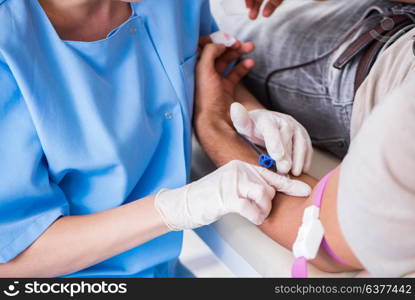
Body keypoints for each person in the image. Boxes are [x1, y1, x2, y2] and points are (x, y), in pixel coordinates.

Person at [0, 0, 312, 278]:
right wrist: (174, 209)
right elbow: (11, 257)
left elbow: (208, 65)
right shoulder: (9, 48)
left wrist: (251, 114)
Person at [192, 0, 415, 277]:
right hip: (387, 33)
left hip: (374, 47)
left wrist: (214, 127)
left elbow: (324, 239)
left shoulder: (403, 131)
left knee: (216, 36)